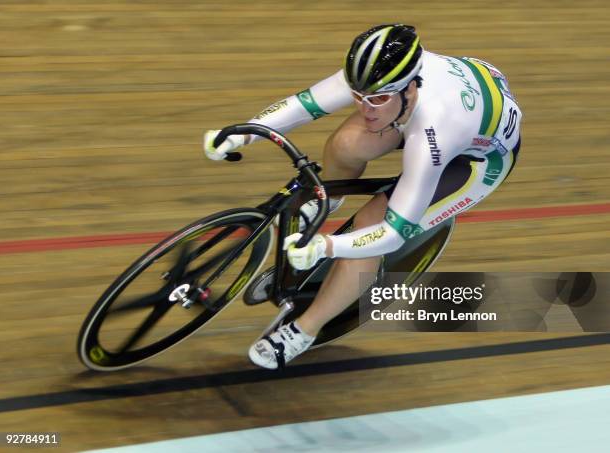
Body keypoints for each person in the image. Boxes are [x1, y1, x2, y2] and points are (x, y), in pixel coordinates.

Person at [203, 24, 522, 369]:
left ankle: (304, 330)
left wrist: (327, 247)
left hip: (474, 160)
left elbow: (392, 235)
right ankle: (329, 201)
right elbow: (305, 104)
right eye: (358, 96)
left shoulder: (434, 135)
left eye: (378, 99)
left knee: (373, 221)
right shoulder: (380, 76)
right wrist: (240, 134)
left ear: (410, 88)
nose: (366, 108)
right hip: (454, 97)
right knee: (346, 144)